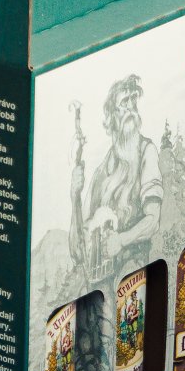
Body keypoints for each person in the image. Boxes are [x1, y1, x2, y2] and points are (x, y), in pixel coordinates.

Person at [69, 74, 163, 281]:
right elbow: (77, 251)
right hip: (99, 281)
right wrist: (74, 196)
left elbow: (153, 220)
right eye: (124, 102)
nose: (130, 108)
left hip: (134, 273)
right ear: (111, 118)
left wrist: (121, 240)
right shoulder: (100, 174)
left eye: (133, 101)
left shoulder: (146, 152)